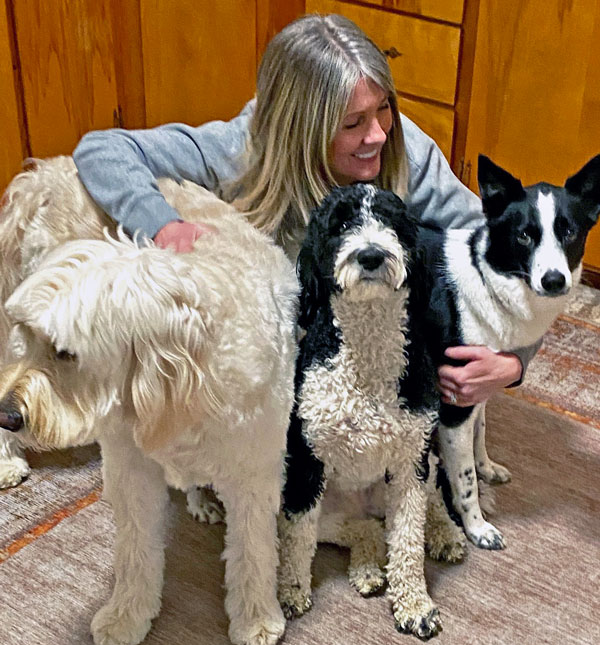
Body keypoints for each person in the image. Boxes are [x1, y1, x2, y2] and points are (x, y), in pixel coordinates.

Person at [73, 13, 536, 406]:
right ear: (301, 128)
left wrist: (513, 362)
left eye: (383, 109)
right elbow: (102, 150)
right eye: (353, 122)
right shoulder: (240, 148)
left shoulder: (406, 151)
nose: (377, 134)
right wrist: (163, 225)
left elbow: (516, 249)